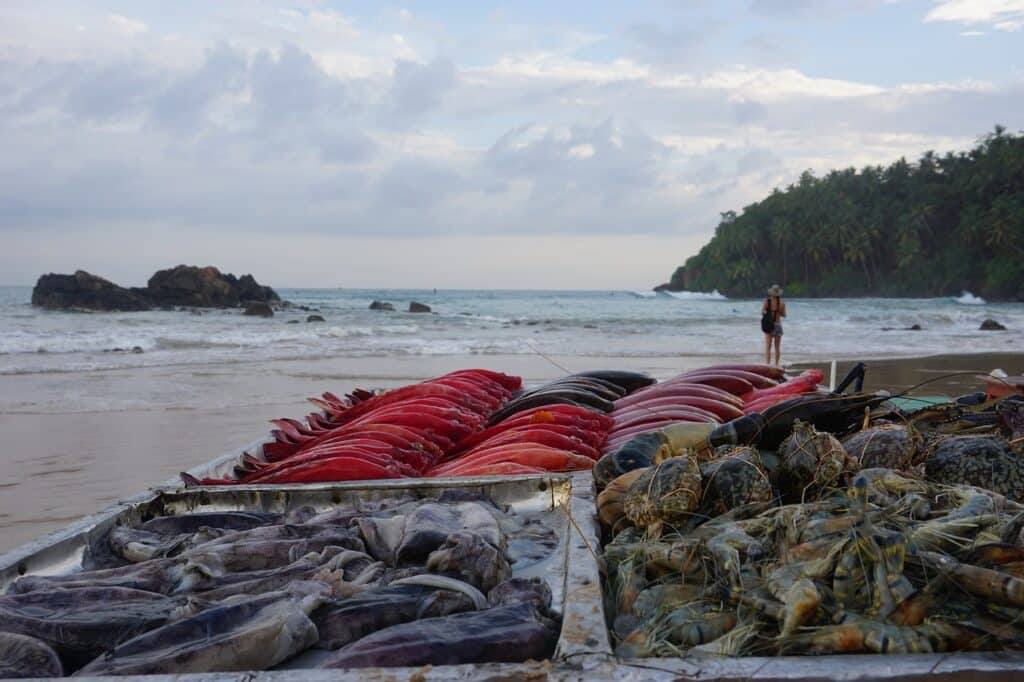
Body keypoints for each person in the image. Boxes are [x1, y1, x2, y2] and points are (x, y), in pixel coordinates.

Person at [761, 284, 786, 366]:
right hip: (778, 325)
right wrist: (778, 312)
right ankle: (776, 365)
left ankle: (768, 365)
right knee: (777, 347)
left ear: (771, 293)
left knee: (768, 347)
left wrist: (769, 313)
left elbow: (762, 312)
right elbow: (784, 315)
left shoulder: (766, 302)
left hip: (769, 325)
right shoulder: (782, 303)